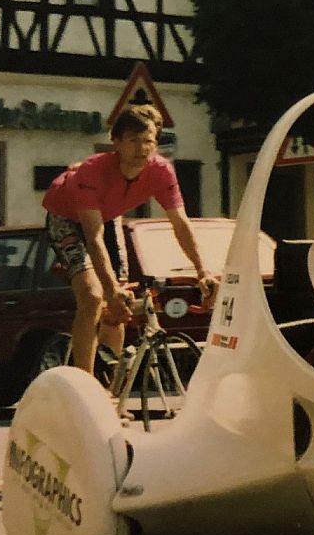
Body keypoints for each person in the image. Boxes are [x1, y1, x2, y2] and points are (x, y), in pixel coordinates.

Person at [42, 103, 218, 376]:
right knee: (92, 296)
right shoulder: (92, 170)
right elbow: (94, 236)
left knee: (119, 308)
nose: (141, 148)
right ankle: (84, 387)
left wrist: (201, 271)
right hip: (67, 218)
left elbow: (180, 224)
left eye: (148, 141)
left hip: (109, 216)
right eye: (133, 140)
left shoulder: (161, 171)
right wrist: (109, 289)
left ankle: (110, 395)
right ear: (116, 143)